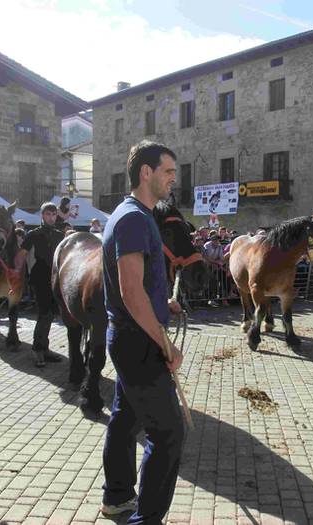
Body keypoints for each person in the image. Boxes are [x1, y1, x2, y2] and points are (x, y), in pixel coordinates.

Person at [100, 140, 184, 523]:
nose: (173, 179)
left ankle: (117, 497)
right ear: (145, 173)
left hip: (129, 336)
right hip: (138, 341)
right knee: (167, 433)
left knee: (125, 417)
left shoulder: (131, 213)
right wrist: (165, 341)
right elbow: (131, 292)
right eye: (168, 171)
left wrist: (162, 303)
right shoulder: (134, 218)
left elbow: (137, 288)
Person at [15, 202, 64, 367]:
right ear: (42, 216)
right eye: (48, 214)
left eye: (53, 215)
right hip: (39, 278)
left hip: (55, 279)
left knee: (50, 314)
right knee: (44, 314)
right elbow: (21, 255)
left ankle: (45, 348)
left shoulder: (59, 235)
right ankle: (37, 349)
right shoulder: (33, 234)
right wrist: (16, 274)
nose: (51, 217)